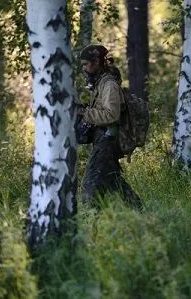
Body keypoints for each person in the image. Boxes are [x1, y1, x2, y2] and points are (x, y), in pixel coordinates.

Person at [76, 44, 142, 210]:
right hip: (103, 139)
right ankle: (142, 213)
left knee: (90, 186)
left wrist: (85, 113)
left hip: (108, 141)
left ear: (97, 61)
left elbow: (112, 115)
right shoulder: (100, 83)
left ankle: (92, 220)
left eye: (86, 64)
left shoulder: (109, 85)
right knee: (114, 181)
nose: (84, 68)